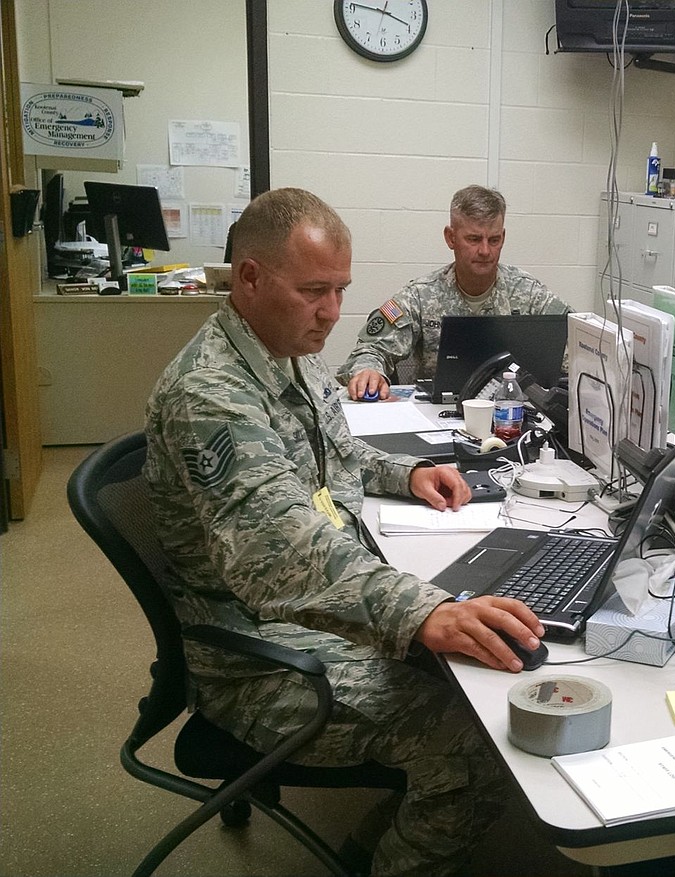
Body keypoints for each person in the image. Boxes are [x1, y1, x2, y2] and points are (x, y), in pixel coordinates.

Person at [143, 187, 544, 877]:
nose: (332, 312)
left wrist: (408, 473)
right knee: (478, 746)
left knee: (475, 675)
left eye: (340, 291)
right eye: (313, 292)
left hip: (314, 614)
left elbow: (335, 454)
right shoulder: (210, 394)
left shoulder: (287, 350)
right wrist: (421, 610)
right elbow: (278, 547)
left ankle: (368, 852)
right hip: (260, 654)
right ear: (249, 278)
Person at [340, 184, 570, 400]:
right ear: (451, 238)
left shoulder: (528, 293)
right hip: (438, 412)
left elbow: (578, 340)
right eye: (473, 239)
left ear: (503, 238)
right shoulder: (421, 296)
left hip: (512, 411)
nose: (485, 251)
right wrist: (368, 371)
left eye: (494, 240)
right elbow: (370, 349)